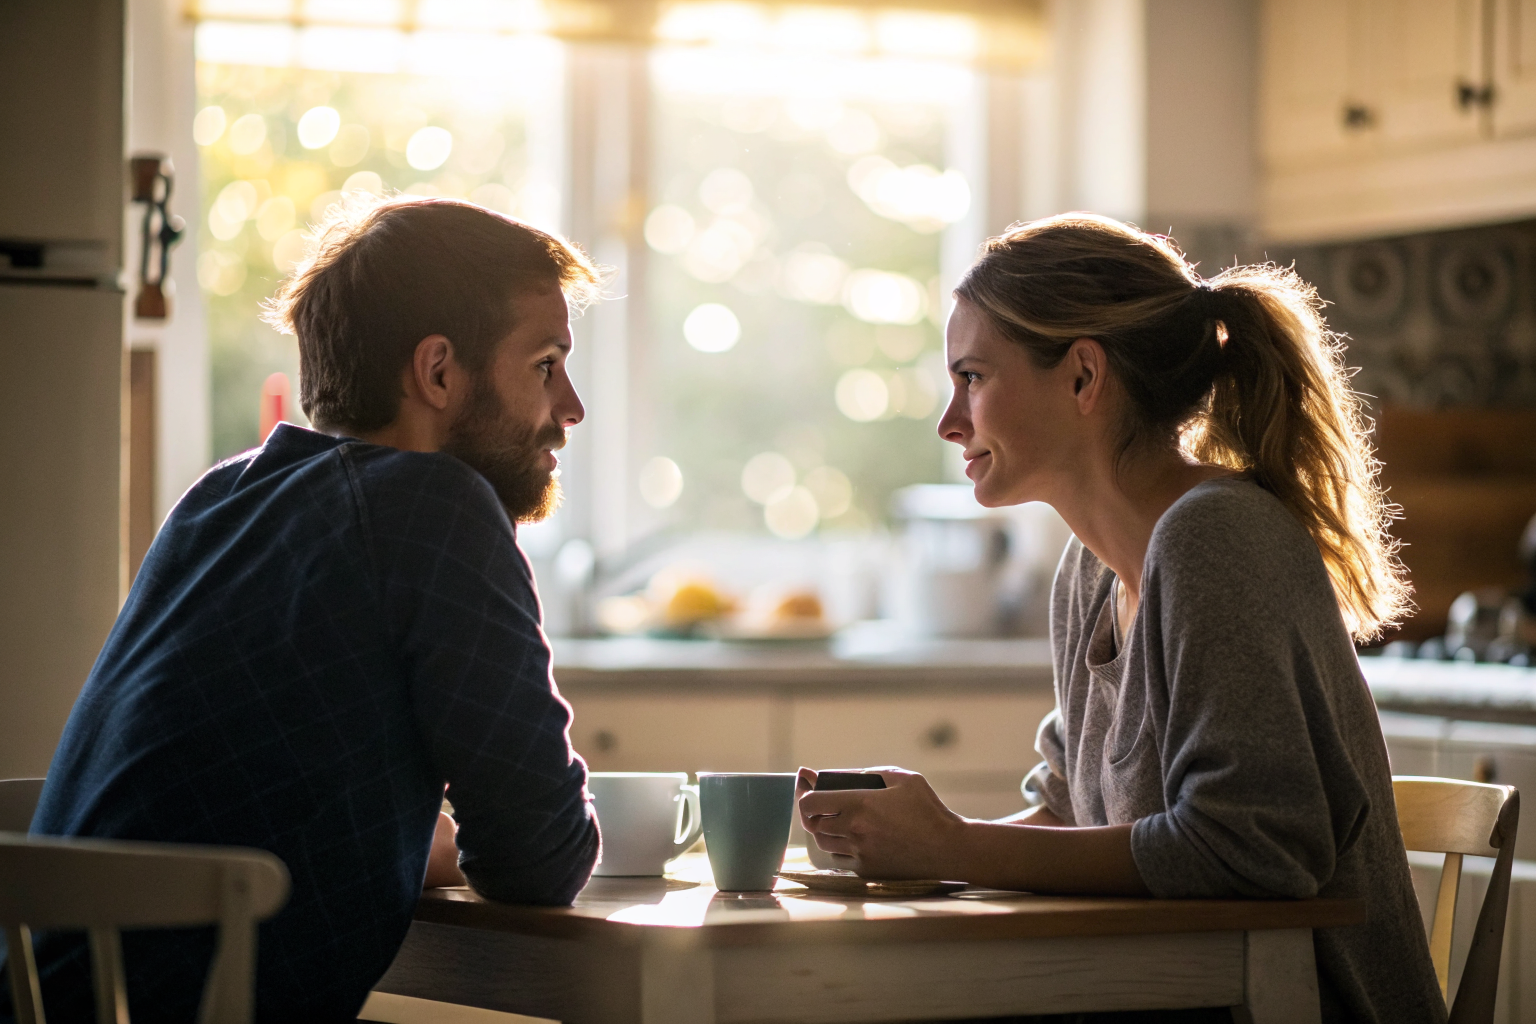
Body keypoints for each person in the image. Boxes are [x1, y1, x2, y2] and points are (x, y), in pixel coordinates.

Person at [797, 214, 1443, 1023]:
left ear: (1082, 377)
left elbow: (1252, 850)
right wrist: (910, 854)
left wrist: (954, 845)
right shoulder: (1090, 571)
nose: (950, 422)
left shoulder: (1217, 537)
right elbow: (1071, 811)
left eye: (972, 377)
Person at [8, 197, 603, 1023]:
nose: (570, 406)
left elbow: (261, 779)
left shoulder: (220, 498)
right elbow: (539, 858)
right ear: (438, 372)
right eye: (545, 363)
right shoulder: (433, 505)